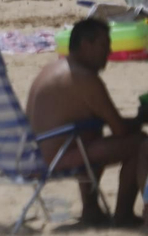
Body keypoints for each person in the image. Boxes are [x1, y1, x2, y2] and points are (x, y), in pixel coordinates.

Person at [25, 17, 148, 227]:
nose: (108, 52)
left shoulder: (53, 68)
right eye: (104, 45)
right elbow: (119, 130)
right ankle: (124, 215)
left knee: (90, 132)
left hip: (32, 154)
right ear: (85, 45)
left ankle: (92, 210)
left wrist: (136, 120)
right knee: (140, 144)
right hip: (54, 158)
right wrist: (141, 119)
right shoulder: (84, 78)